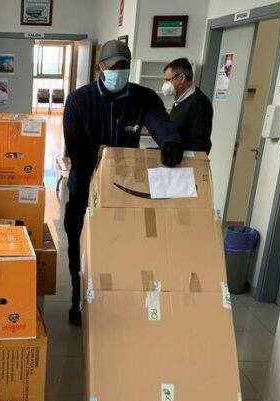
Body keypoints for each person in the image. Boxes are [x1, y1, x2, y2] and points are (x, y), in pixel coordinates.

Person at [63, 39, 183, 326]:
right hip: (84, 186)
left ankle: (110, 302)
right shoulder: (80, 100)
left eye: (124, 66)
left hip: (123, 192)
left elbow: (159, 122)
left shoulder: (143, 98)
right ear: (100, 68)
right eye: (114, 66)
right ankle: (78, 300)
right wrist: (96, 185)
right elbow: (77, 150)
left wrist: (170, 141)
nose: (119, 71)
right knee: (79, 246)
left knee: (117, 248)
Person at [162, 57, 214, 154]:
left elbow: (200, 145)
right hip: (174, 157)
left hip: (186, 160)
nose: (165, 84)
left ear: (182, 78)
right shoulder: (179, 100)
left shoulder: (198, 102)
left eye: (168, 80)